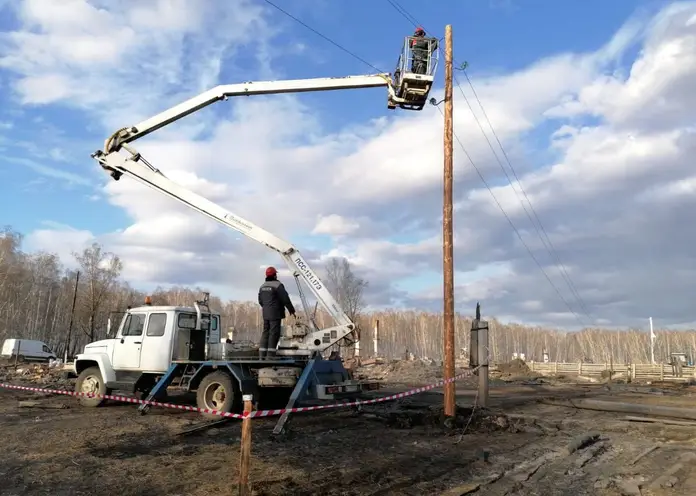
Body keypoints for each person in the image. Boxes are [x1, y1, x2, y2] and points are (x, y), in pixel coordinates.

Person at [257, 266, 296, 358]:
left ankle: (262, 355)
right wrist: (291, 309)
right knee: (274, 333)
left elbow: (260, 300)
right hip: (275, 313)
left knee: (266, 332)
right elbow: (285, 298)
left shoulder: (262, 286)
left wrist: (266, 307)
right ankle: (270, 356)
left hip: (265, 313)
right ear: (275, 275)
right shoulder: (278, 285)